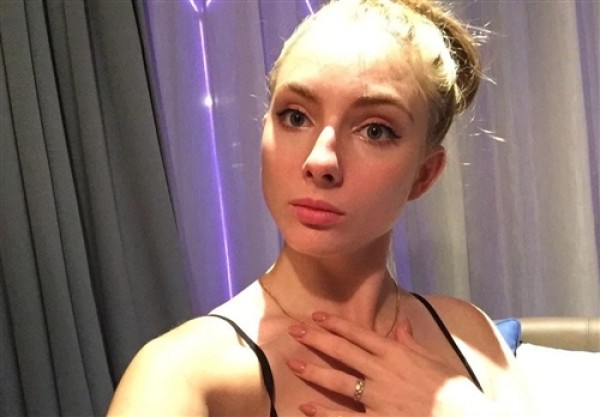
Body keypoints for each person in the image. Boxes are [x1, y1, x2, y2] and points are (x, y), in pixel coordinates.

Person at [108, 0, 533, 415]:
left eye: (375, 130)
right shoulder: (182, 376)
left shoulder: (469, 336)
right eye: (295, 117)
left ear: (424, 174)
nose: (320, 160)